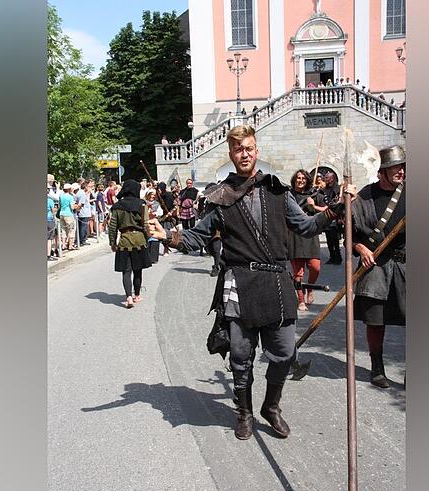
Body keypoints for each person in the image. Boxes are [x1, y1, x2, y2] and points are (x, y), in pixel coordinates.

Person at [147, 125, 355, 441]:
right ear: (231, 155)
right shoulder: (220, 198)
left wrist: (338, 209)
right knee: (241, 357)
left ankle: (271, 407)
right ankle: (243, 412)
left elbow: (307, 226)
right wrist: (169, 237)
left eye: (249, 148)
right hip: (239, 282)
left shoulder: (277, 191)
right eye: (238, 149)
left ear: (256, 151)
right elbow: (197, 237)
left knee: (284, 352)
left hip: (276, 281)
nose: (244, 153)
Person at [350, 145, 406, 389]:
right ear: (382, 171)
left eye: (403, 167)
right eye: (396, 168)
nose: (401, 172)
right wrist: (360, 248)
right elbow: (349, 234)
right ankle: (377, 368)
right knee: (375, 320)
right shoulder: (364, 197)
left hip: (406, 264)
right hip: (375, 266)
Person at [109, 180, 153, 309]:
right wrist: (147, 237)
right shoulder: (141, 204)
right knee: (137, 270)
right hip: (139, 239)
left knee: (126, 271)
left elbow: (113, 226)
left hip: (124, 241)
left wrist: (112, 242)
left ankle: (128, 297)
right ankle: (137, 295)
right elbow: (145, 224)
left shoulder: (117, 206)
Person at [287, 170, 323, 311]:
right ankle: (301, 300)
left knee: (315, 267)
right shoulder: (288, 195)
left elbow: (326, 210)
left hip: (310, 234)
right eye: (298, 178)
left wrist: (313, 206)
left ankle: (310, 288)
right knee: (298, 273)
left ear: (307, 180)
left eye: (303, 178)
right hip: (294, 236)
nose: (300, 180)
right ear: (294, 180)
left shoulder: (313, 195)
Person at [319, 171, 343, 264]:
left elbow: (339, 202)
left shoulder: (338, 189)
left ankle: (338, 257)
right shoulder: (324, 189)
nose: (325, 179)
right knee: (329, 239)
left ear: (332, 178)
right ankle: (332, 256)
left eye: (327, 178)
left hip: (335, 218)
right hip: (326, 217)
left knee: (335, 240)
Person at [155, 182, 177, 256]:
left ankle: (166, 249)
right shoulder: (159, 196)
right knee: (161, 234)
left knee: (167, 233)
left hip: (169, 217)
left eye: (160, 189)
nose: (159, 191)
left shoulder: (169, 196)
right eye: (158, 189)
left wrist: (171, 212)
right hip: (162, 217)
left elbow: (175, 205)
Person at [58, 182, 77, 251]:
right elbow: (72, 207)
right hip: (68, 214)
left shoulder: (61, 196)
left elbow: (59, 206)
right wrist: (75, 206)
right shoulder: (70, 197)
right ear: (69, 189)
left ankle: (63, 245)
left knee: (63, 230)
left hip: (61, 213)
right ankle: (70, 245)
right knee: (71, 230)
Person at [75, 180, 93, 246]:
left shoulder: (79, 193)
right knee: (83, 228)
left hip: (82, 213)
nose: (90, 188)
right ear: (85, 187)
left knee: (81, 228)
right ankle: (82, 241)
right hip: (83, 213)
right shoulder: (82, 194)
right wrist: (77, 210)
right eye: (89, 186)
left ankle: (80, 240)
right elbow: (80, 204)